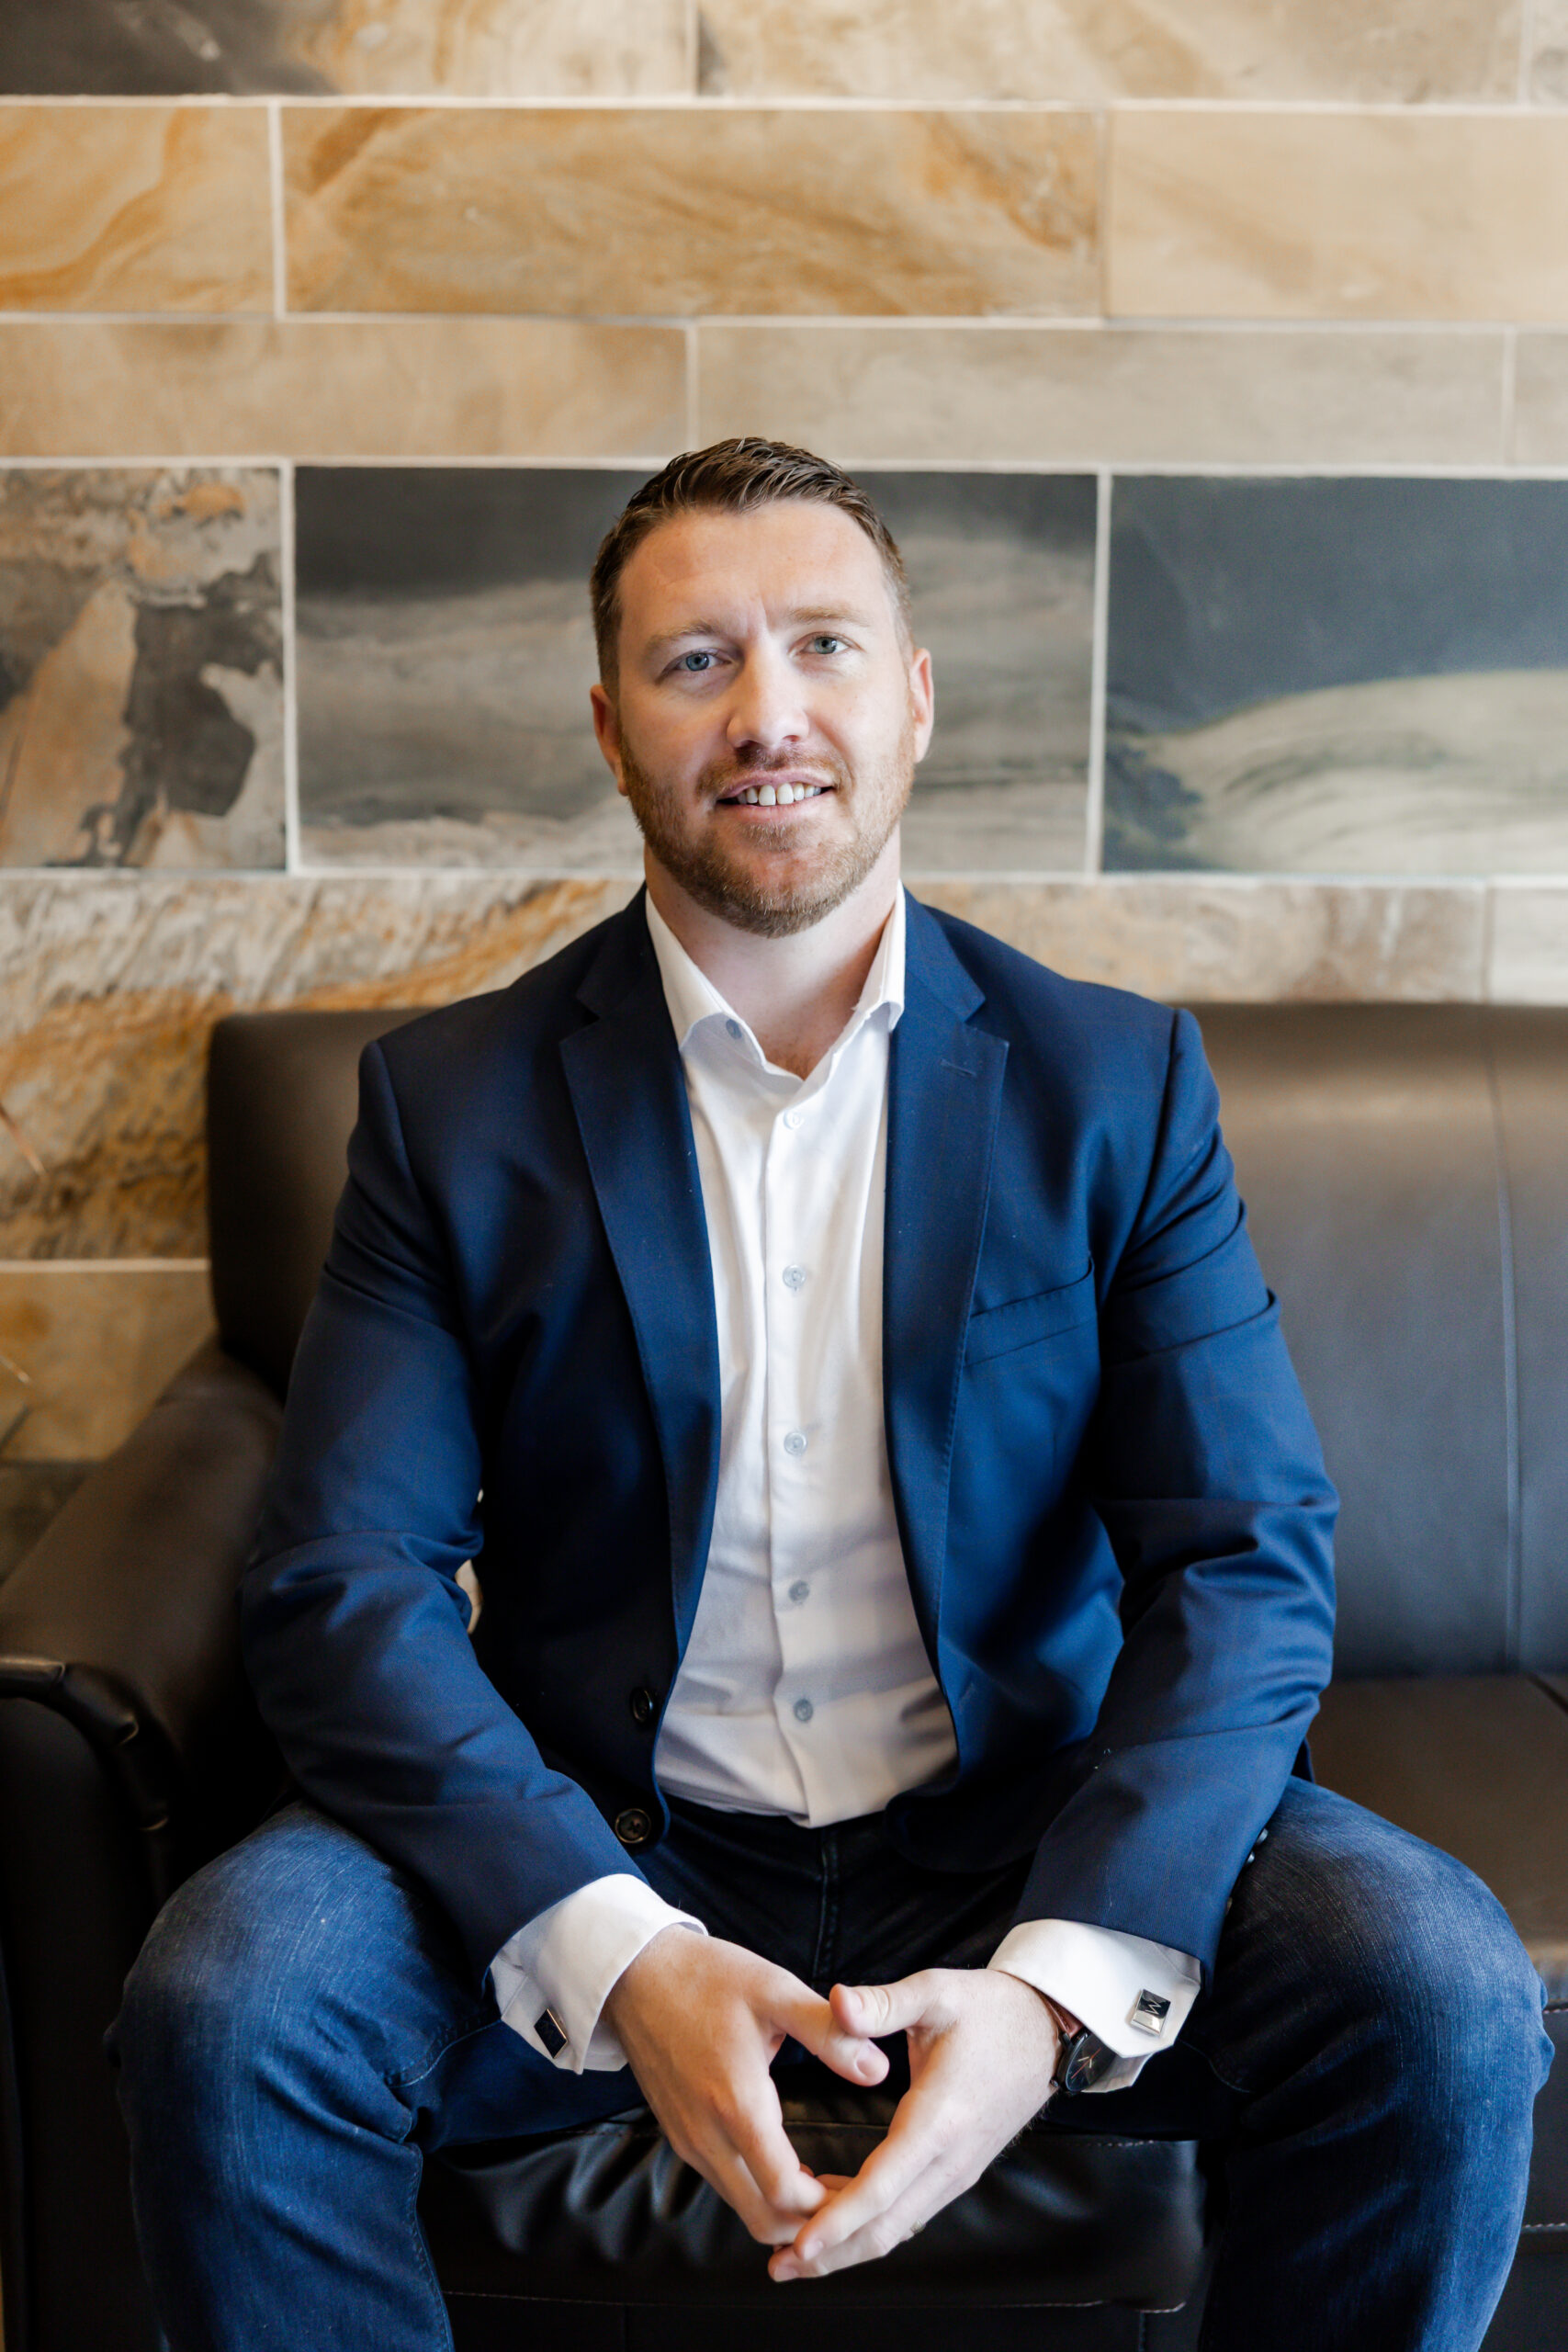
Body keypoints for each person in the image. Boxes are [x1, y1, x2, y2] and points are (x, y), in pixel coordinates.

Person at [115, 439, 1549, 2350]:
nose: (767, 711)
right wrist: (621, 1957)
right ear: (609, 724)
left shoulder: (1108, 1083)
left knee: (1436, 1988)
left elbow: (1241, 1555)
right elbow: (343, 1584)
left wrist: (1045, 1994)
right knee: (229, 1999)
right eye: (693, 659)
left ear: (916, 692)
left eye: (820, 644)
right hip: (609, 1822)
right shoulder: (448, 1108)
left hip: (1024, 1823)